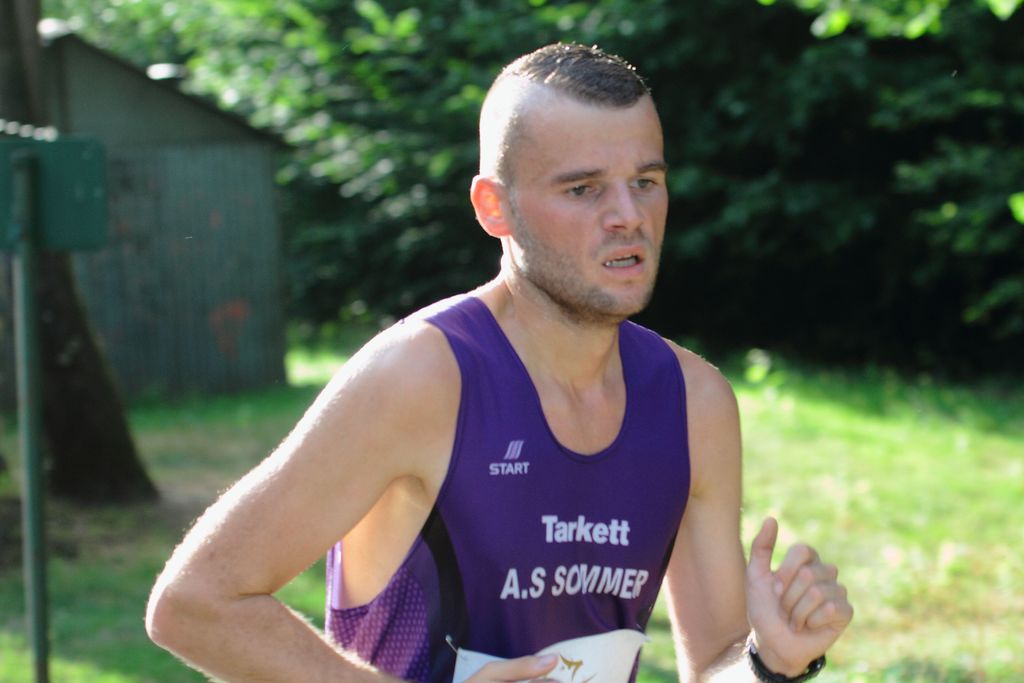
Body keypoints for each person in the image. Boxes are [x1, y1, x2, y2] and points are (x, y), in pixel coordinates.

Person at [146, 43, 853, 683]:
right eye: (583, 189)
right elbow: (196, 602)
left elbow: (714, 668)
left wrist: (769, 662)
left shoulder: (694, 402)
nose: (628, 216)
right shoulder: (421, 376)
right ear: (494, 208)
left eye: (645, 180)